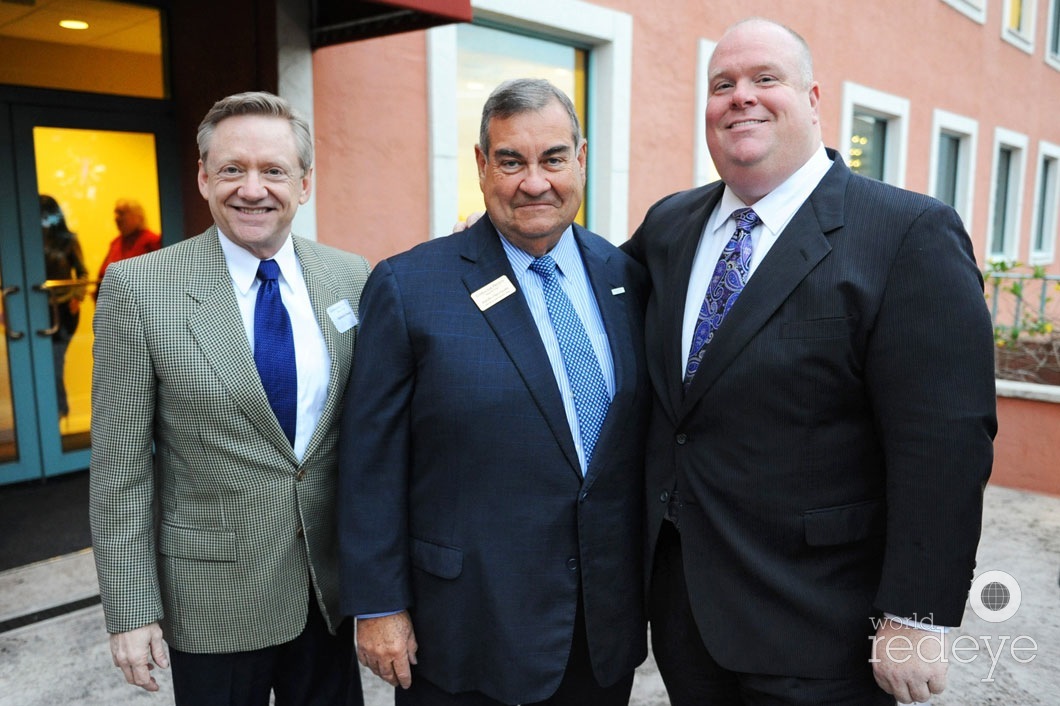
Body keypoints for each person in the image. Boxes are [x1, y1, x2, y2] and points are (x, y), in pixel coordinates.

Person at [622, 17, 997, 706]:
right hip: (689, 618)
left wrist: (917, 615)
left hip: (824, 628)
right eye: (722, 84)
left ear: (815, 98)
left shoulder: (907, 235)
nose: (742, 97)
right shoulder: (670, 227)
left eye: (766, 79)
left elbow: (946, 442)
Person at [337, 78, 650, 706]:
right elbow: (368, 462)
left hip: (599, 633)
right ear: (482, 166)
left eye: (553, 158)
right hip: (465, 631)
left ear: (580, 159)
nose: (535, 182)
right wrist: (377, 606)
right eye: (511, 161)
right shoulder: (409, 285)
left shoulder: (625, 276)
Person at [89, 91, 370, 706]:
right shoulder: (140, 287)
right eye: (232, 169)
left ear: (304, 184)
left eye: (273, 170)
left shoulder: (353, 277)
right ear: (202, 177)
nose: (252, 189)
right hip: (214, 598)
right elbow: (120, 468)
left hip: (329, 592)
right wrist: (131, 610)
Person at [39, 194, 88, 419]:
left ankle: (58, 411)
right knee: (43, 362)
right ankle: (56, 410)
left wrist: (77, 296)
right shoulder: (27, 240)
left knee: (54, 362)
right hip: (37, 310)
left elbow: (83, 273)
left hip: (64, 310)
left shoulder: (67, 240)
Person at [96, 198, 161, 288]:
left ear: (137, 216)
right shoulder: (115, 243)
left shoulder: (153, 241)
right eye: (116, 213)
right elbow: (102, 274)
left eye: (121, 213)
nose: (116, 218)